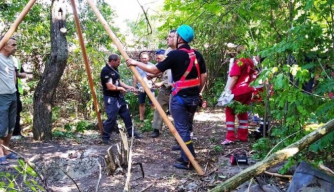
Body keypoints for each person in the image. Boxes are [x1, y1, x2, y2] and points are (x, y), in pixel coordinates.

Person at [127, 25, 207, 170]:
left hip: (180, 98)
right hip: (194, 98)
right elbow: (204, 76)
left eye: (175, 35)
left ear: (180, 38)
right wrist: (197, 91)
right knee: (186, 128)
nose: (173, 37)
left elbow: (154, 69)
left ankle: (189, 160)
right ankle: (186, 155)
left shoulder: (175, 55)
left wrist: (134, 62)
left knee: (182, 130)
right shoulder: (197, 54)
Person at [221, 55, 264, 145]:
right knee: (243, 111)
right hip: (248, 90)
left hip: (238, 90)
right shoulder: (251, 62)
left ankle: (230, 137)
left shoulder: (239, 61)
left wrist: (227, 91)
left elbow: (234, 77)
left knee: (230, 111)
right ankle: (243, 136)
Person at [100, 54, 142, 145]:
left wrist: (128, 87)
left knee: (126, 114)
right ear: (113, 61)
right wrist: (121, 89)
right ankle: (105, 137)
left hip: (119, 97)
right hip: (111, 98)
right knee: (112, 118)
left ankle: (131, 132)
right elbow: (110, 86)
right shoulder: (106, 70)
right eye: (118, 62)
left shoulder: (115, 69)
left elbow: (118, 82)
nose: (119, 63)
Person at [151, 30, 176, 138]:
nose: (167, 38)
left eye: (170, 36)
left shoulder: (182, 52)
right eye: (167, 36)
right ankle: (156, 129)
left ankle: (179, 134)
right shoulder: (167, 51)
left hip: (177, 88)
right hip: (165, 86)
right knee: (159, 107)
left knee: (176, 111)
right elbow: (163, 67)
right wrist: (154, 74)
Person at [0, 36, 19, 165]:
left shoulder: (12, 59)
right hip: (1, 96)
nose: (15, 47)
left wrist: (14, 90)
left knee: (12, 124)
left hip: (13, 94)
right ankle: (0, 153)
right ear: (4, 45)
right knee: (2, 126)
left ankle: (6, 150)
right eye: (13, 45)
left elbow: (14, 76)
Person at [133, 52, 155, 121]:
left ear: (148, 58)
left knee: (153, 103)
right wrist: (134, 87)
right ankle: (141, 118)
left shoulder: (152, 66)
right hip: (141, 87)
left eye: (145, 58)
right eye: (142, 58)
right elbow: (135, 77)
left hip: (150, 87)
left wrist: (153, 82)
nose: (144, 59)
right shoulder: (137, 66)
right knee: (141, 103)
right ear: (140, 59)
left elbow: (156, 75)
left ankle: (153, 118)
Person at [12, 56, 26, 138]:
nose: (15, 47)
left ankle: (16, 133)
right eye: (13, 45)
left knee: (16, 110)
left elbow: (24, 74)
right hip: (3, 91)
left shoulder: (15, 60)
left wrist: (18, 74)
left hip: (15, 91)